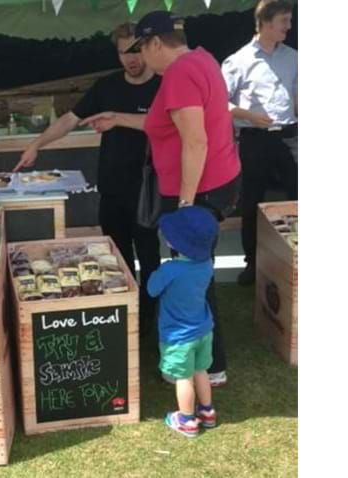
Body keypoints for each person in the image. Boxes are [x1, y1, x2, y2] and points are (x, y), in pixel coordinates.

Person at [81, 11, 241, 387]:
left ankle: (210, 365)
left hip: (197, 191)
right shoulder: (202, 59)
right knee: (197, 275)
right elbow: (164, 123)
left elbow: (195, 140)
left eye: (142, 49)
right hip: (216, 183)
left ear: (155, 43)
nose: (140, 60)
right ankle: (202, 358)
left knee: (193, 277)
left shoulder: (181, 74)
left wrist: (185, 205)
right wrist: (117, 118)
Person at [12, 23, 161, 334]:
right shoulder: (106, 86)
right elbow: (70, 119)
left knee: (149, 256)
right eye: (123, 53)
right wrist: (37, 144)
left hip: (149, 187)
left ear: (148, 48)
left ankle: (151, 317)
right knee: (116, 255)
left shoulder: (164, 85)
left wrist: (119, 119)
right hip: (112, 186)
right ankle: (122, 313)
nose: (131, 59)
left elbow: (165, 124)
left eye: (135, 50)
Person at [221, 0, 298, 286]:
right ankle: (252, 264)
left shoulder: (294, 57)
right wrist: (248, 115)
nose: (289, 27)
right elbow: (219, 103)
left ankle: (296, 260)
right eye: (284, 21)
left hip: (290, 137)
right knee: (253, 203)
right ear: (265, 22)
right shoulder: (238, 61)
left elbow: (299, 97)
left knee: (298, 199)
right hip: (255, 140)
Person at [147, 206, 219, 438]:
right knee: (201, 370)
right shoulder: (206, 264)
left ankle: (186, 419)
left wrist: (155, 274)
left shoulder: (171, 269)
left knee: (183, 378)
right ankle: (207, 411)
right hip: (203, 329)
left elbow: (151, 289)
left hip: (178, 336)